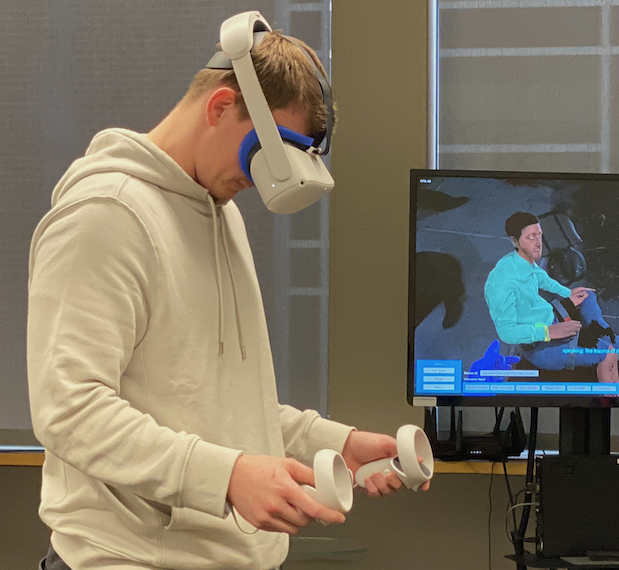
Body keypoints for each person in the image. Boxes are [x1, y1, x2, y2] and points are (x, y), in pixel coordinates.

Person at [27, 23, 425, 570]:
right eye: (265, 155)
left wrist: (334, 441)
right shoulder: (106, 215)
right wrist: (229, 476)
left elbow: (219, 404)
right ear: (220, 107)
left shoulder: (221, 215)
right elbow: (69, 411)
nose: (264, 182)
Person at [484, 212, 619, 382]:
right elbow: (507, 332)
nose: (538, 243)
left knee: (586, 296)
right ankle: (611, 400)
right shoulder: (501, 284)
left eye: (539, 235)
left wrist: (567, 293)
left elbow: (542, 279)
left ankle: (615, 342)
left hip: (552, 318)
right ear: (515, 241)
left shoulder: (522, 261)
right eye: (531, 237)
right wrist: (548, 332)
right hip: (542, 348)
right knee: (606, 354)